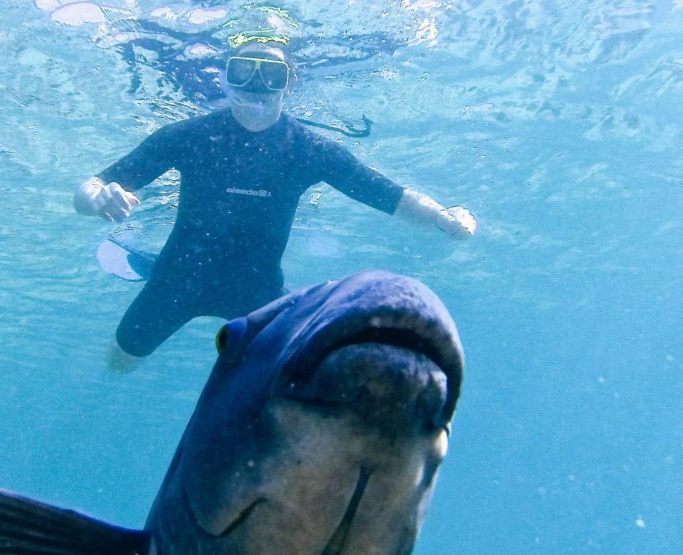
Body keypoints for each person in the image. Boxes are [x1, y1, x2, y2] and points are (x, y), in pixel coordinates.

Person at [73, 40, 477, 370]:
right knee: (119, 364)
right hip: (176, 282)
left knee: (293, 378)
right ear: (227, 79)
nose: (256, 85)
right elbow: (90, 187)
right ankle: (145, 265)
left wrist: (444, 218)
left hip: (257, 292)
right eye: (243, 71)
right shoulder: (189, 136)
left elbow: (385, 194)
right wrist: (96, 199)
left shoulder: (309, 149)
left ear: (289, 82)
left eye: (271, 74)